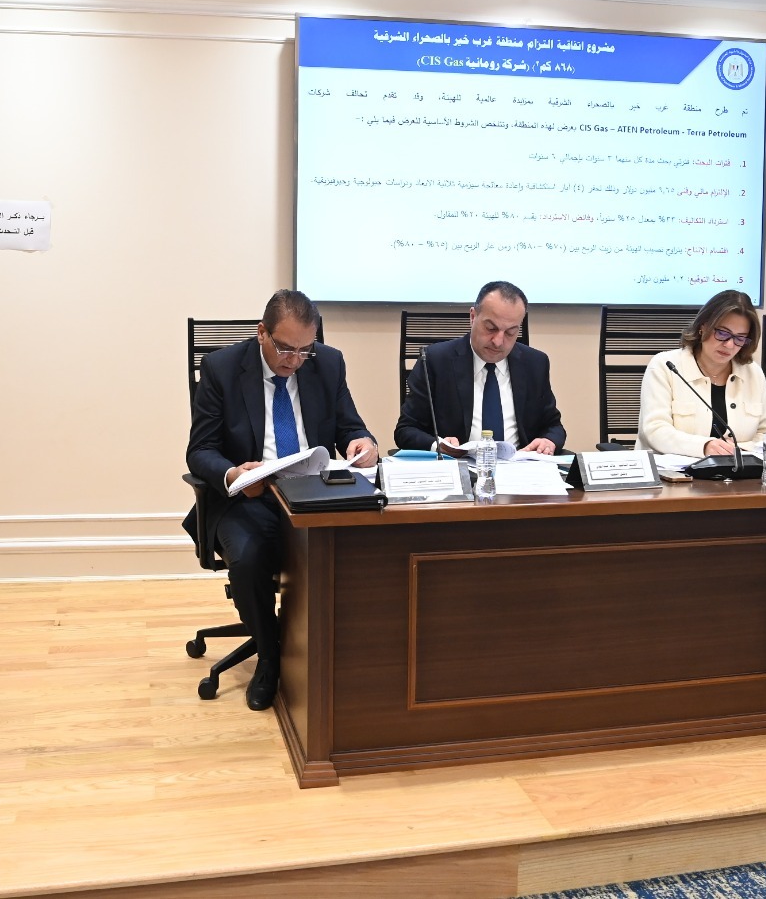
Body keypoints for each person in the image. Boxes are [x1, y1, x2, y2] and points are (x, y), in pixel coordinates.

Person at [185, 290, 378, 711]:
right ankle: (271, 657)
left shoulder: (328, 363)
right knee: (249, 557)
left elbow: (350, 426)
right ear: (262, 333)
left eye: (305, 350)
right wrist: (235, 474)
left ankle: (349, 655)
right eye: (285, 348)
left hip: (312, 493)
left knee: (367, 543)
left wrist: (364, 442)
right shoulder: (221, 368)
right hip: (250, 498)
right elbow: (200, 451)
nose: (294, 360)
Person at [394, 281, 566, 455]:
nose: (498, 341)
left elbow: (553, 426)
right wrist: (438, 445)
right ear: (473, 317)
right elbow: (406, 430)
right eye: (491, 328)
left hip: (519, 466)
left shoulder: (535, 363)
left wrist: (549, 441)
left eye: (510, 332)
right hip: (458, 466)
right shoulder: (435, 361)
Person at [638, 288, 766, 456]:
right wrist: (704, 446)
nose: (729, 345)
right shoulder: (665, 366)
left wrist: (737, 450)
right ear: (703, 326)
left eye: (739, 338)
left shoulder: (753, 373)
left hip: (738, 469)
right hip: (673, 470)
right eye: (722, 333)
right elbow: (655, 430)